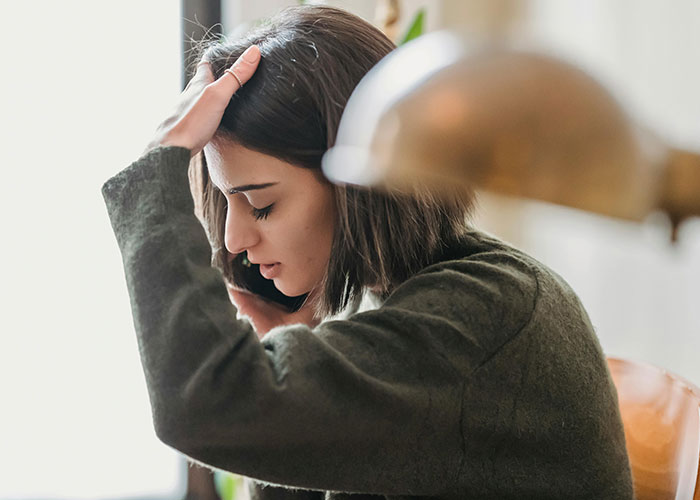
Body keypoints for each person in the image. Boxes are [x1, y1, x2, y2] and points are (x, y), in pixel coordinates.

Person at [102, 5, 634, 499]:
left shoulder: (485, 315)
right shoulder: (398, 295)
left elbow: (203, 405)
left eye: (261, 205)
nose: (234, 242)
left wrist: (158, 167)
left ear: (355, 187)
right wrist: (292, 350)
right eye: (227, 203)